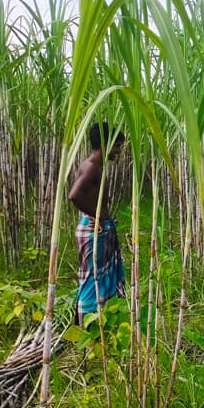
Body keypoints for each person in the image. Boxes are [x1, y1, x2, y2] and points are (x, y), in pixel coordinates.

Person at [68, 122, 126, 326]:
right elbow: (74, 195)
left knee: (98, 277)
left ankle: (99, 323)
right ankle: (86, 329)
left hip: (96, 228)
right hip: (93, 229)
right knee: (92, 279)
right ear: (105, 143)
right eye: (117, 146)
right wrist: (99, 218)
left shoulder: (93, 166)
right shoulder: (92, 167)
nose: (119, 151)